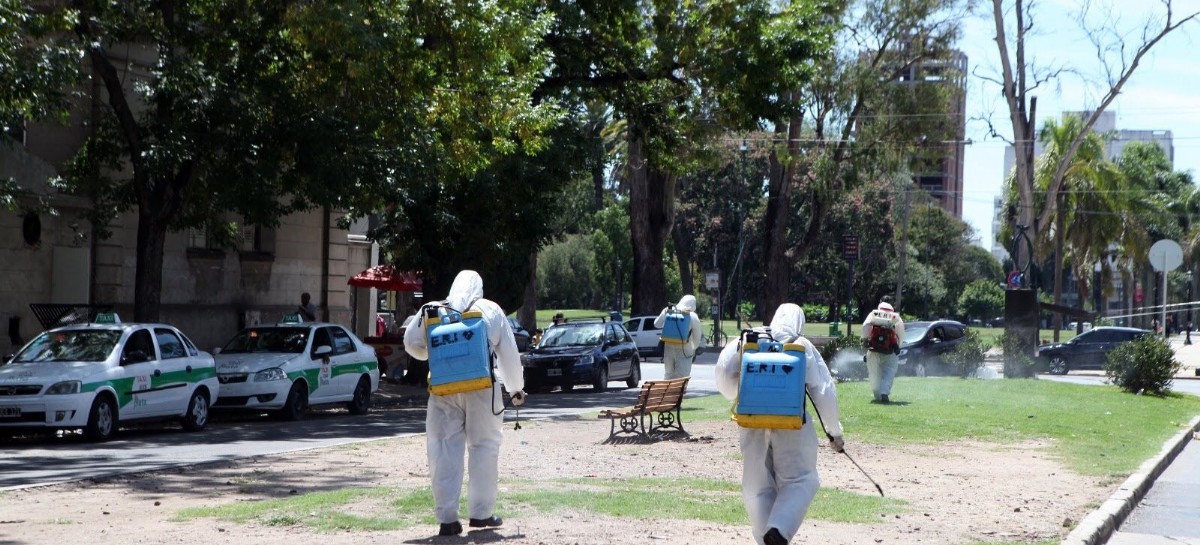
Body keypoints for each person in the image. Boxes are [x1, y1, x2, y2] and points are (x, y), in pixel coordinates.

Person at [402, 270, 527, 537]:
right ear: (478, 289)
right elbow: (508, 354)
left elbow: (411, 344)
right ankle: (481, 515)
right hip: (483, 389)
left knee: (444, 449)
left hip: (443, 389)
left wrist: (432, 353)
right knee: (484, 448)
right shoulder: (491, 310)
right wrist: (516, 389)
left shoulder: (432, 309)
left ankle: (447, 519)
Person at [714, 303, 845, 545]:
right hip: (792, 425)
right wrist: (834, 433)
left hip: (751, 422)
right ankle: (779, 529)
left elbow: (723, 375)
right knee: (802, 479)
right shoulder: (801, 346)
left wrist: (740, 393)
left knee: (757, 487)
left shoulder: (745, 340)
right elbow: (824, 392)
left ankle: (766, 538)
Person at [862, 297, 905, 403]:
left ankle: (877, 395)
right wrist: (897, 345)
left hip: (873, 350)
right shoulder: (896, 318)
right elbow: (900, 333)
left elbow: (865, 326)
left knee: (874, 373)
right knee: (889, 372)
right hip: (890, 351)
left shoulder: (873, 315)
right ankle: (884, 393)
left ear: (880, 303)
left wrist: (864, 341)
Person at [653, 294, 704, 379]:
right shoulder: (693, 316)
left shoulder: (668, 310)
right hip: (685, 349)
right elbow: (697, 336)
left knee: (668, 374)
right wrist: (693, 348)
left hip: (668, 347)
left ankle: (668, 391)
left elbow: (656, 324)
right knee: (682, 377)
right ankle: (679, 392)